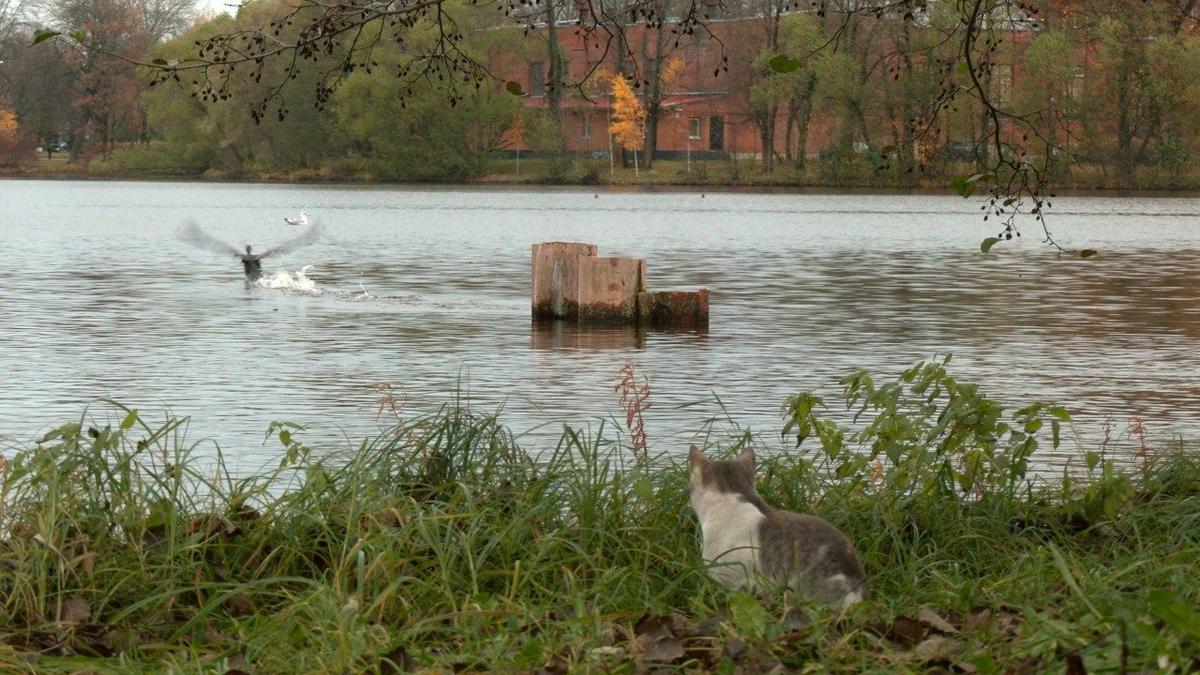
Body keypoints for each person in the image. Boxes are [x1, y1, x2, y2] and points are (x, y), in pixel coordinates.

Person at [179, 221, 321, 283]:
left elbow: (213, 244)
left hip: (251, 277)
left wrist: (196, 237)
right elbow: (290, 245)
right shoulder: (258, 256)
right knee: (260, 280)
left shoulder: (243, 256)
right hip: (258, 276)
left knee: (252, 283)